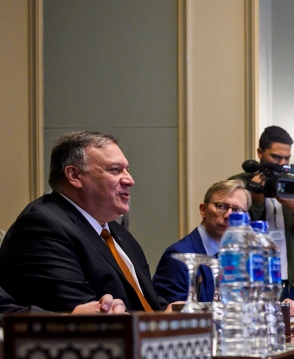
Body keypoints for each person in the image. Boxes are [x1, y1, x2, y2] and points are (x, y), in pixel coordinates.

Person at [0, 131, 168, 312]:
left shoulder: (117, 233)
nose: (130, 180)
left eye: (127, 170)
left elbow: (146, 299)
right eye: (115, 170)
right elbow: (85, 312)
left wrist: (169, 312)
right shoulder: (41, 227)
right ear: (74, 175)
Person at [232, 126, 294, 312]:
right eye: (276, 157)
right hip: (254, 280)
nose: (282, 163)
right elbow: (233, 234)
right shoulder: (239, 184)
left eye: (287, 158)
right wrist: (256, 201)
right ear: (260, 152)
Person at [153, 179, 248, 304]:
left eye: (237, 210)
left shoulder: (242, 255)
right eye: (221, 207)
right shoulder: (178, 257)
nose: (228, 216)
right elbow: (176, 317)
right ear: (203, 210)